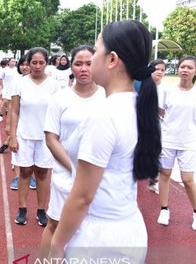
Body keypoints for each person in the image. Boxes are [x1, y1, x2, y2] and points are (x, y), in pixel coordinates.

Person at [48, 20, 161, 262]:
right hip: (129, 228)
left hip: (97, 238)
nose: (91, 61)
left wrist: (56, 245)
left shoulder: (103, 115)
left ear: (112, 60)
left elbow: (83, 197)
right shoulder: (137, 106)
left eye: (96, 52)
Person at [40, 45, 105, 258]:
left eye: (89, 63)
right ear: (71, 66)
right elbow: (51, 138)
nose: (84, 69)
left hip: (99, 178)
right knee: (55, 224)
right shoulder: (61, 98)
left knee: (91, 228)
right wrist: (74, 168)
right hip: (66, 175)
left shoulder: (107, 96)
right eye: (78, 64)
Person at [9, 47, 60, 226]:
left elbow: (58, 112)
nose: (37, 66)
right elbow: (14, 111)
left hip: (46, 137)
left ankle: (41, 210)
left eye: (41, 63)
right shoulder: (20, 83)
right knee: (24, 172)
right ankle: (22, 208)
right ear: (28, 63)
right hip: (24, 134)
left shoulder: (54, 85)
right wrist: (12, 136)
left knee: (43, 172)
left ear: (47, 63)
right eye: (34, 62)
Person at [157, 56, 196, 230]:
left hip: (188, 142)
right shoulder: (168, 90)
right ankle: (164, 209)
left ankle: (195, 212)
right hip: (168, 140)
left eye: (189, 67)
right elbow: (161, 110)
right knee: (164, 174)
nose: (185, 70)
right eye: (182, 66)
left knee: (187, 179)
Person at [6, 54, 36, 191]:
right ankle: (18, 177)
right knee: (17, 151)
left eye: (27, 64)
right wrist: (8, 124)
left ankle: (32, 177)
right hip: (19, 122)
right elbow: (12, 106)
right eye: (22, 64)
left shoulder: (39, 83)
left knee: (34, 153)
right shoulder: (16, 82)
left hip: (35, 123)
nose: (24, 67)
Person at [148, 59, 167, 194]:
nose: (159, 72)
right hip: (139, 123)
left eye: (162, 70)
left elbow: (165, 111)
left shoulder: (166, 89)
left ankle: (153, 181)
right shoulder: (141, 84)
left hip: (157, 125)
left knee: (156, 153)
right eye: (157, 69)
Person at [0, 58, 18, 151]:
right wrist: (0, 86)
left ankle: (6, 142)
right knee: (5, 102)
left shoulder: (19, 73)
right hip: (8, 91)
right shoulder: (4, 70)